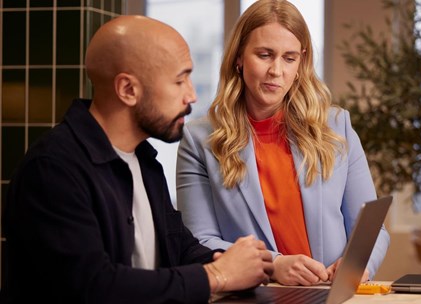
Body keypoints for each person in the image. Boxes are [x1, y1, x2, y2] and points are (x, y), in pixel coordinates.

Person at [1, 15, 273, 304]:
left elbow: (180, 248)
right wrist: (217, 276)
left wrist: (260, 264)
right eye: (180, 80)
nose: (191, 95)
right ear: (128, 90)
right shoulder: (52, 171)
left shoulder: (144, 161)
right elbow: (94, 287)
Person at [176, 0, 389, 286]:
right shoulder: (199, 140)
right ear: (239, 57)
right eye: (265, 55)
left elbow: (371, 229)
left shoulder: (337, 127)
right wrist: (273, 265)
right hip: (256, 295)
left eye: (289, 58)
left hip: (331, 294)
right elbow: (200, 241)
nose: (277, 70)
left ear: (301, 63)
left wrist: (359, 266)